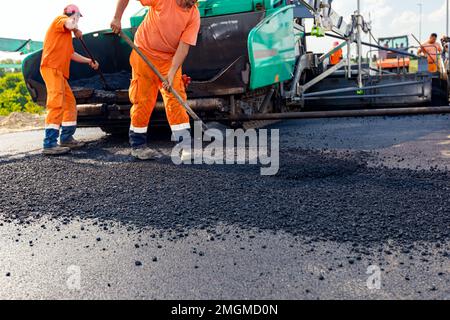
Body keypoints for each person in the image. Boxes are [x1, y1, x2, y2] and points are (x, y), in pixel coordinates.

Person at [111, 0, 200, 160]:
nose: (192, 4)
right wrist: (117, 17)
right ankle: (138, 146)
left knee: (176, 99)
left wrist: (172, 73)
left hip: (169, 60)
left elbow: (184, 46)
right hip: (144, 54)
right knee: (142, 100)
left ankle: (184, 146)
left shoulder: (194, 14)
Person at [41, 4, 99, 155]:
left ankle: (66, 138)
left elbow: (72, 55)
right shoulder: (60, 20)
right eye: (78, 16)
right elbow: (69, 23)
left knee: (69, 102)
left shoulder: (66, 36)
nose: (78, 20)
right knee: (56, 102)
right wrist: (76, 28)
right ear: (73, 14)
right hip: (51, 68)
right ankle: (49, 143)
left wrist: (89, 61)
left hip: (60, 72)